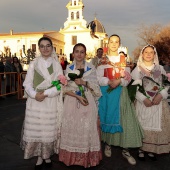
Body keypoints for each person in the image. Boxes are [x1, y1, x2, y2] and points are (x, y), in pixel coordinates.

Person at [97, 34, 143, 165]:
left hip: (120, 93)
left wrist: (118, 81)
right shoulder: (102, 60)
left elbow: (127, 78)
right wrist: (108, 81)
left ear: (119, 44)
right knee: (108, 117)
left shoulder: (124, 59)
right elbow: (98, 78)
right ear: (108, 43)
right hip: (107, 93)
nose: (113, 44)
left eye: (116, 42)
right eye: (111, 41)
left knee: (124, 120)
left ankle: (125, 149)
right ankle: (108, 144)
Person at [21, 37, 64, 170]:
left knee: (47, 131)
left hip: (49, 102)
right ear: (39, 48)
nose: (45, 49)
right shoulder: (34, 64)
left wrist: (45, 94)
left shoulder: (57, 65)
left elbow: (59, 86)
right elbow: (27, 83)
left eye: (48, 46)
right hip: (35, 102)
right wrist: (34, 95)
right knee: (37, 130)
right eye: (42, 46)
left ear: (52, 48)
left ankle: (46, 156)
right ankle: (39, 157)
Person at [59, 43, 102, 168]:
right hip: (72, 101)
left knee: (86, 127)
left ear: (85, 54)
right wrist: (77, 95)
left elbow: (96, 88)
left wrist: (84, 82)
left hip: (87, 100)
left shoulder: (91, 68)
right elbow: (64, 89)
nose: (79, 54)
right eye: (76, 51)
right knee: (72, 126)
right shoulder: (68, 68)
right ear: (73, 53)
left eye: (82, 52)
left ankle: (86, 158)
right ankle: (71, 157)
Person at [131, 45, 170, 161]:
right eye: (146, 52)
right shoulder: (137, 69)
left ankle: (152, 149)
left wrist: (160, 95)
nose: (148, 54)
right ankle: (141, 149)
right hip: (143, 103)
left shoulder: (159, 69)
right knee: (142, 126)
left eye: (151, 52)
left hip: (157, 103)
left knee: (155, 127)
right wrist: (143, 99)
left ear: (154, 54)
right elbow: (133, 88)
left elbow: (165, 84)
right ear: (142, 54)